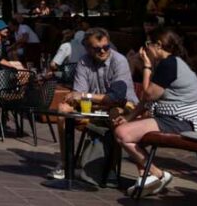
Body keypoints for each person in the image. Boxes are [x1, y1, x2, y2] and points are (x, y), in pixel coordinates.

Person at [114, 27, 197, 198]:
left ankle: (158, 175)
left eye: (148, 44)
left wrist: (147, 67)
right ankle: (146, 177)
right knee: (128, 130)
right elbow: (146, 100)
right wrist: (128, 118)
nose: (146, 48)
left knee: (122, 133)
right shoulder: (170, 63)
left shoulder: (170, 64)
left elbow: (148, 95)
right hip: (172, 118)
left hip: (182, 121)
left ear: (158, 45)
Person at [50, 27, 138, 181]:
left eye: (106, 47)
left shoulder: (119, 61)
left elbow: (115, 97)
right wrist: (82, 98)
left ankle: (110, 168)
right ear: (87, 48)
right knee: (63, 110)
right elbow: (77, 95)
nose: (103, 51)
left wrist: (86, 96)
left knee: (115, 113)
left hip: (123, 106)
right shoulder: (84, 61)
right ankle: (65, 162)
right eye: (97, 48)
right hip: (95, 106)